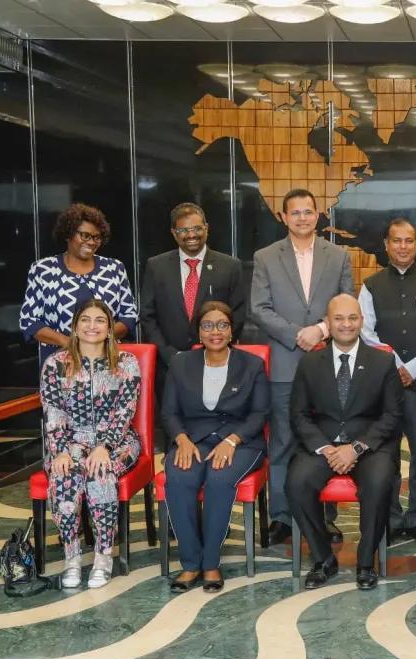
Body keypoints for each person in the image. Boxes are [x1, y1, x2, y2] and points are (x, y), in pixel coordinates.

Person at [251, 188, 354, 546]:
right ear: (283, 217)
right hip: (284, 362)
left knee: (326, 440)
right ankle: (282, 517)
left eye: (308, 211)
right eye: (294, 212)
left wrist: (322, 330)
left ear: (318, 214)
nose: (302, 218)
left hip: (328, 364)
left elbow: (347, 303)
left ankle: (325, 517)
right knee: (283, 441)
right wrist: (298, 335)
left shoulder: (338, 255)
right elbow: (259, 308)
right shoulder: (266, 257)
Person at [286, 294, 404, 590]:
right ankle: (323, 558)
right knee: (297, 483)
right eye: (338, 319)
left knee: (378, 482)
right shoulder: (310, 362)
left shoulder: (383, 361)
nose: (346, 324)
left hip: (369, 446)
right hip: (323, 445)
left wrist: (356, 448)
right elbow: (298, 414)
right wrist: (327, 449)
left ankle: (365, 562)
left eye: (352, 318)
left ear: (361, 321)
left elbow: (392, 415)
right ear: (328, 323)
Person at [162, 301, 269, 594]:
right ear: (199, 331)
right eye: (207, 325)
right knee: (180, 476)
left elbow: (260, 413)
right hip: (192, 439)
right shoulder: (181, 363)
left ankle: (210, 562)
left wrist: (232, 440)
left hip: (240, 441)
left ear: (232, 330)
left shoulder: (252, 365)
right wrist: (181, 439)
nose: (215, 331)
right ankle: (190, 563)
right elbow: (169, 412)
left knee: (219, 478)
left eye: (222, 325)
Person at [358, 218, 416, 543]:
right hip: (384, 387)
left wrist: (413, 367)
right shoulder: (370, 285)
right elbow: (366, 333)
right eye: (396, 240)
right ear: (386, 244)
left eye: (409, 240)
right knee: (386, 456)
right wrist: (396, 365)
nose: (403, 246)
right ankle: (391, 519)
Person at [39, 299, 141, 589]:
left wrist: (104, 446)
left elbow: (125, 411)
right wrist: (60, 451)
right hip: (70, 440)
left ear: (110, 329)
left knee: (100, 472)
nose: (92, 326)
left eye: (99, 320)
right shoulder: (55, 364)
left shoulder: (125, 362)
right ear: (75, 327)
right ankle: (71, 557)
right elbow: (53, 411)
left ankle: (103, 556)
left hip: (118, 440)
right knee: (64, 475)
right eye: (85, 319)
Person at [140, 202, 245, 402]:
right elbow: (148, 316)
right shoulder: (156, 266)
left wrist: (212, 351)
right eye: (183, 230)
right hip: (169, 366)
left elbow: (238, 314)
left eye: (197, 228)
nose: (191, 235)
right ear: (174, 233)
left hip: (217, 364)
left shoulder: (230, 266)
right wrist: (169, 355)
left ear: (206, 228)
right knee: (172, 420)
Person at [20, 203, 138, 365]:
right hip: (58, 363)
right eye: (85, 235)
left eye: (97, 237)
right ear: (68, 234)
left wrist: (100, 339)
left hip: (107, 360)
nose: (91, 242)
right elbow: (29, 321)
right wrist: (70, 343)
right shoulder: (43, 270)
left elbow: (130, 316)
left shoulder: (114, 268)